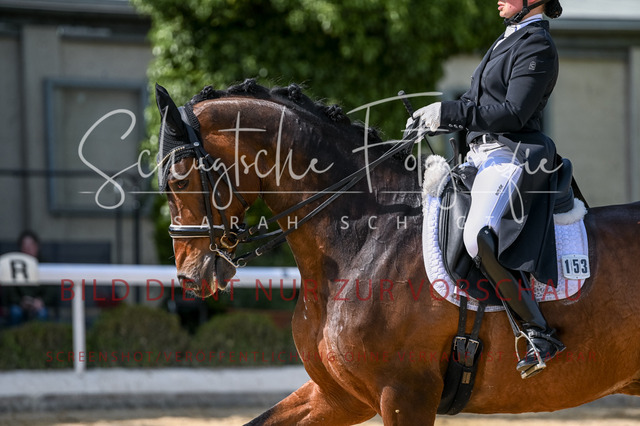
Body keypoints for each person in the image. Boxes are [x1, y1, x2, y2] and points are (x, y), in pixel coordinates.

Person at [407, 0, 565, 378]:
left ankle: (538, 332)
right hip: (477, 156)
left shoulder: (537, 44)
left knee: (477, 236)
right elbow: (473, 103)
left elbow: (514, 112)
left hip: (509, 155)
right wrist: (436, 117)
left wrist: (449, 111)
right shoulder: (506, 39)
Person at [6, 231, 50, 325]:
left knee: (42, 313)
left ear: (37, 246)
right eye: (25, 246)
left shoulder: (45, 265)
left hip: (39, 304)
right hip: (19, 304)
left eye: (31, 246)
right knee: (15, 312)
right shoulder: (14, 265)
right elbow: (9, 289)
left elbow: (52, 289)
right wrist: (20, 301)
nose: (28, 249)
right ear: (21, 248)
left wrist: (41, 301)